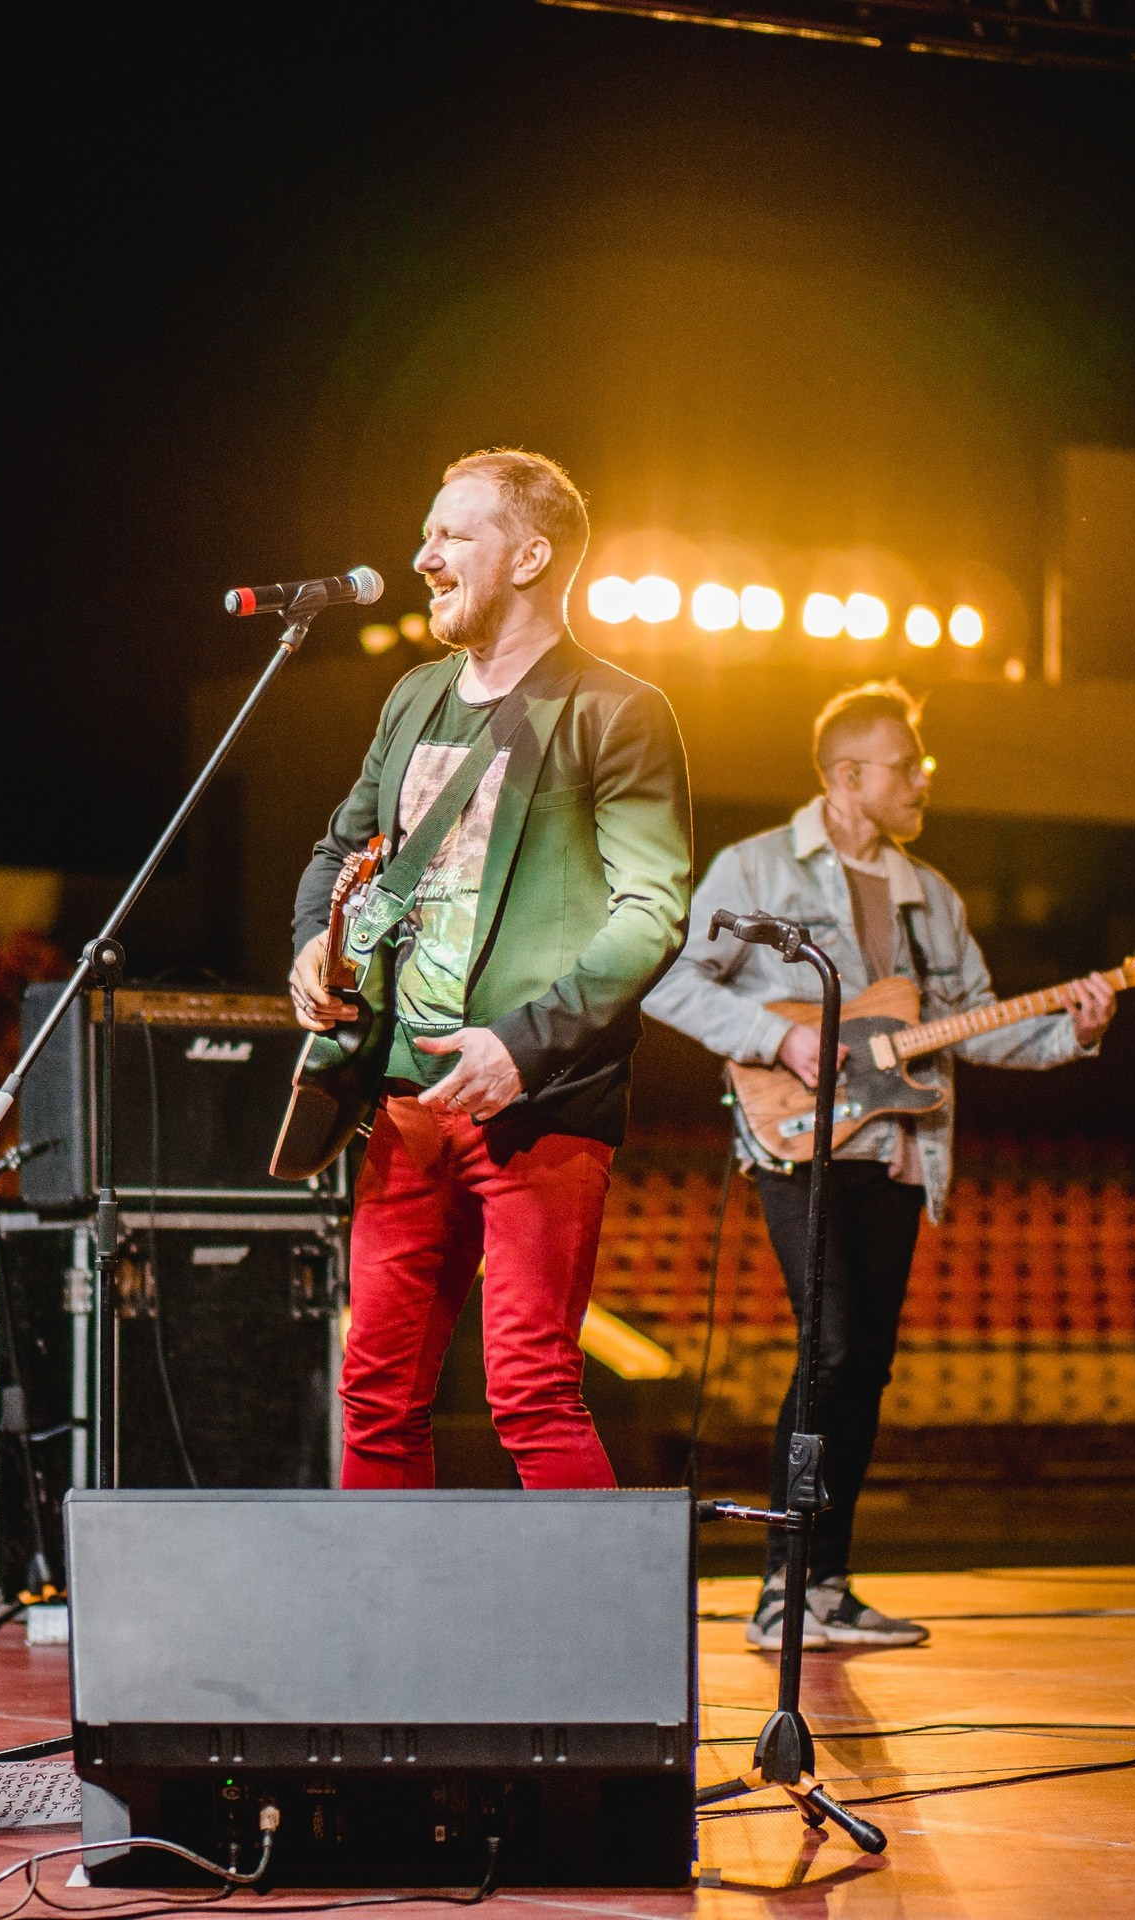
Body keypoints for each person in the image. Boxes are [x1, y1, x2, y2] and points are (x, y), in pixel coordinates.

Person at [643, 680, 1114, 1648]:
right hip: (797, 1144)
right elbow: (669, 981)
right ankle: (782, 1588)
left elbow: (968, 1028)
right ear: (846, 776)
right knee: (830, 1350)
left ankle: (828, 1585)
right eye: (906, 766)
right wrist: (779, 1044)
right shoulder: (758, 869)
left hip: (897, 1150)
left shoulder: (927, 895)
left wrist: (1070, 1033)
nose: (922, 781)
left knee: (862, 1365)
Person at [288, 448, 693, 1490]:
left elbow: (654, 912)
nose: (423, 555)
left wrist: (524, 1044)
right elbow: (341, 847)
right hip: (404, 1099)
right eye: (427, 534)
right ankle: (385, 1646)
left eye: (451, 534)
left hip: (537, 1100)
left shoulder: (616, 710)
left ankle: (601, 1649)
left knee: (532, 1390)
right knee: (372, 1394)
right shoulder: (413, 697)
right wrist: (308, 943)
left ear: (529, 554)